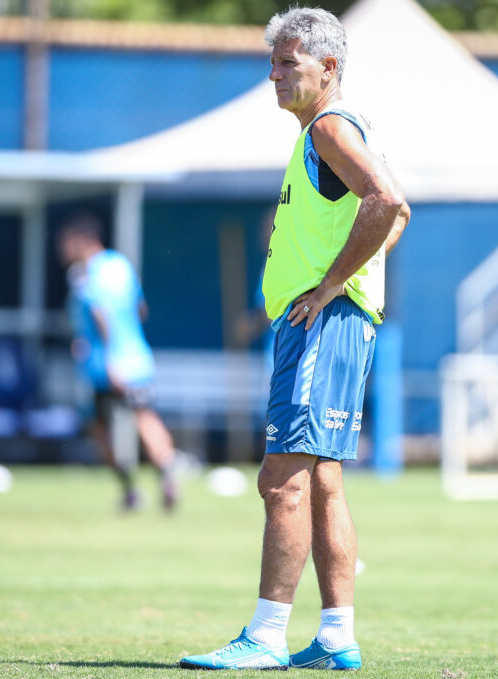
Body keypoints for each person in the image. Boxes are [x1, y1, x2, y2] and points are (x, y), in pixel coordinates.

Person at [181, 7, 409, 671]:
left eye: (289, 64)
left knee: (281, 481)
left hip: (322, 326)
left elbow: (388, 202)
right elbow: (399, 207)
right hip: (326, 324)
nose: (275, 75)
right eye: (273, 63)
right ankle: (336, 634)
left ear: (328, 68)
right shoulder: (326, 129)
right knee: (322, 483)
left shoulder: (332, 126)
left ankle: (265, 635)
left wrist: (333, 284)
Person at [57, 211, 178, 511]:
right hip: (137, 359)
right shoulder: (121, 265)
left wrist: (108, 357)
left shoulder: (85, 274)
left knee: (99, 428)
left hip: (105, 366)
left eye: (67, 242)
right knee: (144, 416)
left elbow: (100, 317)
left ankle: (130, 490)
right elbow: (141, 309)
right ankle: (166, 473)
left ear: (83, 241)